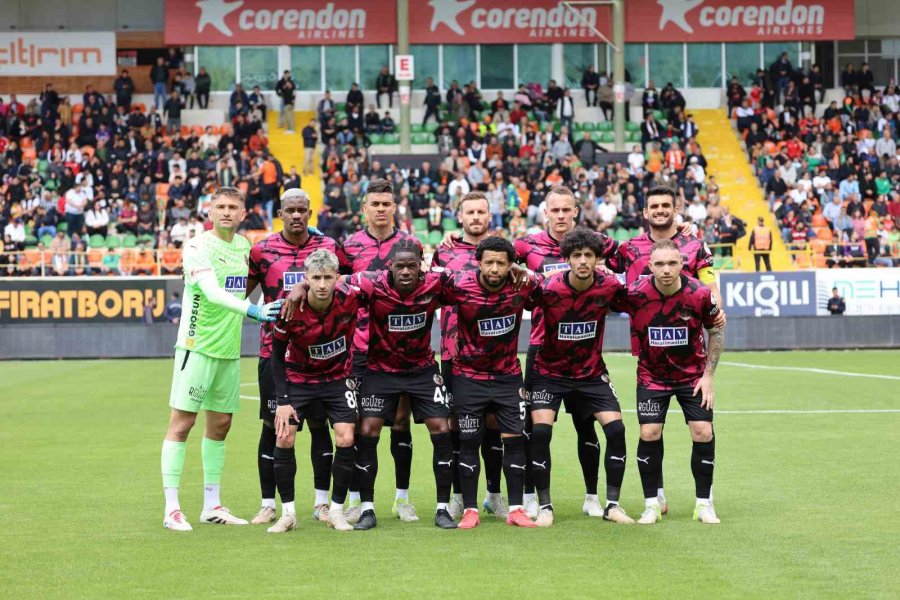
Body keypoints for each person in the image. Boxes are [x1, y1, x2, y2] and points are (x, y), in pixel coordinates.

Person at [293, 241, 457, 530]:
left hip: (421, 369)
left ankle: (443, 507)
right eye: (400, 266)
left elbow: (472, 278)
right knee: (367, 430)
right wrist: (300, 288)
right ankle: (367, 509)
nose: (406, 271)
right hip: (380, 370)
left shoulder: (436, 282)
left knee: (442, 428)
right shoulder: (371, 283)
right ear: (389, 268)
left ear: (421, 266)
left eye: (412, 266)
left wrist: (519, 272)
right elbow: (331, 279)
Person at [160, 186, 285, 532]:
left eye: (233, 207)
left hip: (228, 352)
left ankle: (211, 505)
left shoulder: (245, 247)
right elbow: (212, 293)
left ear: (244, 214)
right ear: (210, 212)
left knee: (220, 426)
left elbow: (279, 252)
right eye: (221, 206)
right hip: (196, 347)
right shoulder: (198, 247)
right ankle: (172, 509)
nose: (227, 212)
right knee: (182, 425)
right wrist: (253, 311)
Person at [607, 185, 723, 515]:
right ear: (645, 212)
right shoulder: (629, 248)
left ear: (676, 208)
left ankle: (705, 500)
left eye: (665, 205)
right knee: (650, 430)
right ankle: (654, 496)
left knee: (701, 430)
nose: (660, 210)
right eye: (654, 206)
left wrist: (716, 306)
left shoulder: (695, 244)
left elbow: (709, 286)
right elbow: (588, 257)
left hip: (690, 354)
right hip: (649, 354)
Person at [513, 186, 617, 519]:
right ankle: (532, 495)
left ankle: (592, 497)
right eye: (554, 210)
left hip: (585, 355)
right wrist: (449, 244)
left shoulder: (594, 243)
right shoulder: (526, 245)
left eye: (566, 210)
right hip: (543, 350)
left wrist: (682, 231)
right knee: (535, 426)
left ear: (575, 212)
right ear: (545, 213)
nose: (560, 216)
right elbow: (493, 257)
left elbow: (637, 254)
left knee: (586, 427)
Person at [526, 228, 634, 527]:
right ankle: (545, 505)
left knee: (616, 430)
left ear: (598, 259)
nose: (583, 261)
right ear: (567, 259)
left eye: (589, 255)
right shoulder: (549, 289)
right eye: (577, 255)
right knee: (541, 432)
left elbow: (637, 301)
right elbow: (514, 300)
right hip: (550, 372)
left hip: (590, 373)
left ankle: (612, 504)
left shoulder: (609, 286)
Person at [245, 189, 340, 526]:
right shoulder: (262, 251)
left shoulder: (327, 249)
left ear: (310, 213)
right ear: (280, 214)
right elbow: (241, 296)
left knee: (319, 426)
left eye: (302, 210)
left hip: (318, 355)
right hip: (275, 353)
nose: (297, 215)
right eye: (290, 210)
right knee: (274, 427)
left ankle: (321, 503)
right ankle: (269, 504)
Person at [332, 179, 423, 523]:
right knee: (356, 425)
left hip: (401, 348)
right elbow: (337, 291)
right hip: (358, 349)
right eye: (375, 204)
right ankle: (357, 499)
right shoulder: (350, 246)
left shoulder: (410, 244)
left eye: (387, 203)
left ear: (394, 207)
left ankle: (402, 499)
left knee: (400, 422)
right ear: (364, 208)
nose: (381, 209)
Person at [440, 236, 539, 529]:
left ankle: (517, 508)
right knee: (468, 442)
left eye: (501, 262)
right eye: (489, 262)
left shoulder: (522, 286)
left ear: (511, 265)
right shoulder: (458, 285)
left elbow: (559, 281)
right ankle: (470, 509)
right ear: (479, 263)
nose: (494, 268)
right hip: (468, 377)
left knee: (515, 441)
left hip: (508, 377)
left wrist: (529, 274)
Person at [269, 249, 363, 533]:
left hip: (337, 378)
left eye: (328, 277)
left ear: (338, 277)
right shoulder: (290, 309)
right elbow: (275, 355)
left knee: (346, 438)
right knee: (285, 437)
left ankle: (335, 511)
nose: (322, 284)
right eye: (315, 278)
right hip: (299, 379)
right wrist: (283, 401)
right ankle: (287, 514)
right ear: (306, 279)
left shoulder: (353, 297)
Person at [431, 192, 507, 520]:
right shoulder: (444, 251)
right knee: (457, 427)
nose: (476, 217)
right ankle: (460, 496)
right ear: (459, 217)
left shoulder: (503, 250)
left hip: (495, 355)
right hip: (454, 352)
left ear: (489, 216)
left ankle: (493, 493)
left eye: (481, 212)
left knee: (493, 425)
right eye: (470, 212)